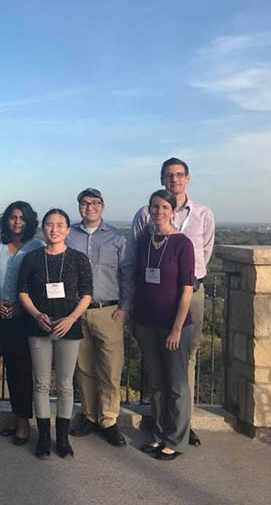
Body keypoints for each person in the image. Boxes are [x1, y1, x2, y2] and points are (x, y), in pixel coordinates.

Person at [128, 157, 215, 446]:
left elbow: (205, 251)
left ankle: (180, 427)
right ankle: (163, 425)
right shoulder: (144, 217)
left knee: (183, 361)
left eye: (179, 175)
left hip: (189, 293)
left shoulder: (202, 214)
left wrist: (185, 290)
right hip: (150, 306)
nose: (174, 179)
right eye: (168, 175)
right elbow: (136, 256)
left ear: (187, 178)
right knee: (158, 371)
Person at [18, 208, 92, 459]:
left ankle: (62, 438)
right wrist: (37, 314)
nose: (54, 229)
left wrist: (72, 318)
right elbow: (23, 292)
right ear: (43, 228)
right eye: (50, 224)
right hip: (38, 325)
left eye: (60, 224)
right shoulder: (32, 258)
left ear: (68, 230)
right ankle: (42, 438)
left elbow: (87, 294)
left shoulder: (79, 259)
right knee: (40, 383)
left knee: (64, 384)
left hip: (68, 326)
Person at [66, 189, 134, 447]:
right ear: (79, 207)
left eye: (95, 203)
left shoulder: (117, 238)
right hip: (76, 310)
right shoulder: (69, 234)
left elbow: (127, 274)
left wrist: (126, 307)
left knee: (110, 368)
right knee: (83, 367)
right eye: (84, 203)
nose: (90, 207)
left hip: (109, 310)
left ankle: (109, 419)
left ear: (103, 207)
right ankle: (89, 415)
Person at [133, 189, 195, 461]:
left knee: (176, 385)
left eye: (164, 207)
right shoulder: (145, 241)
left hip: (173, 325)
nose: (158, 211)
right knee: (156, 384)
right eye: (154, 207)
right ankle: (159, 435)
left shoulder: (183, 244)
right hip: (146, 322)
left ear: (173, 211)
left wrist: (177, 328)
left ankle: (176, 439)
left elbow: (187, 290)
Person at [0, 201, 44, 446]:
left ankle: (24, 423)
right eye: (13, 217)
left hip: (25, 317)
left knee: (23, 370)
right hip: (0, 314)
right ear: (5, 220)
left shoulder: (37, 247)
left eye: (22, 218)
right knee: (8, 368)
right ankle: (16, 417)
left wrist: (22, 306)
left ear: (29, 222)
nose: (17, 222)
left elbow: (40, 283)